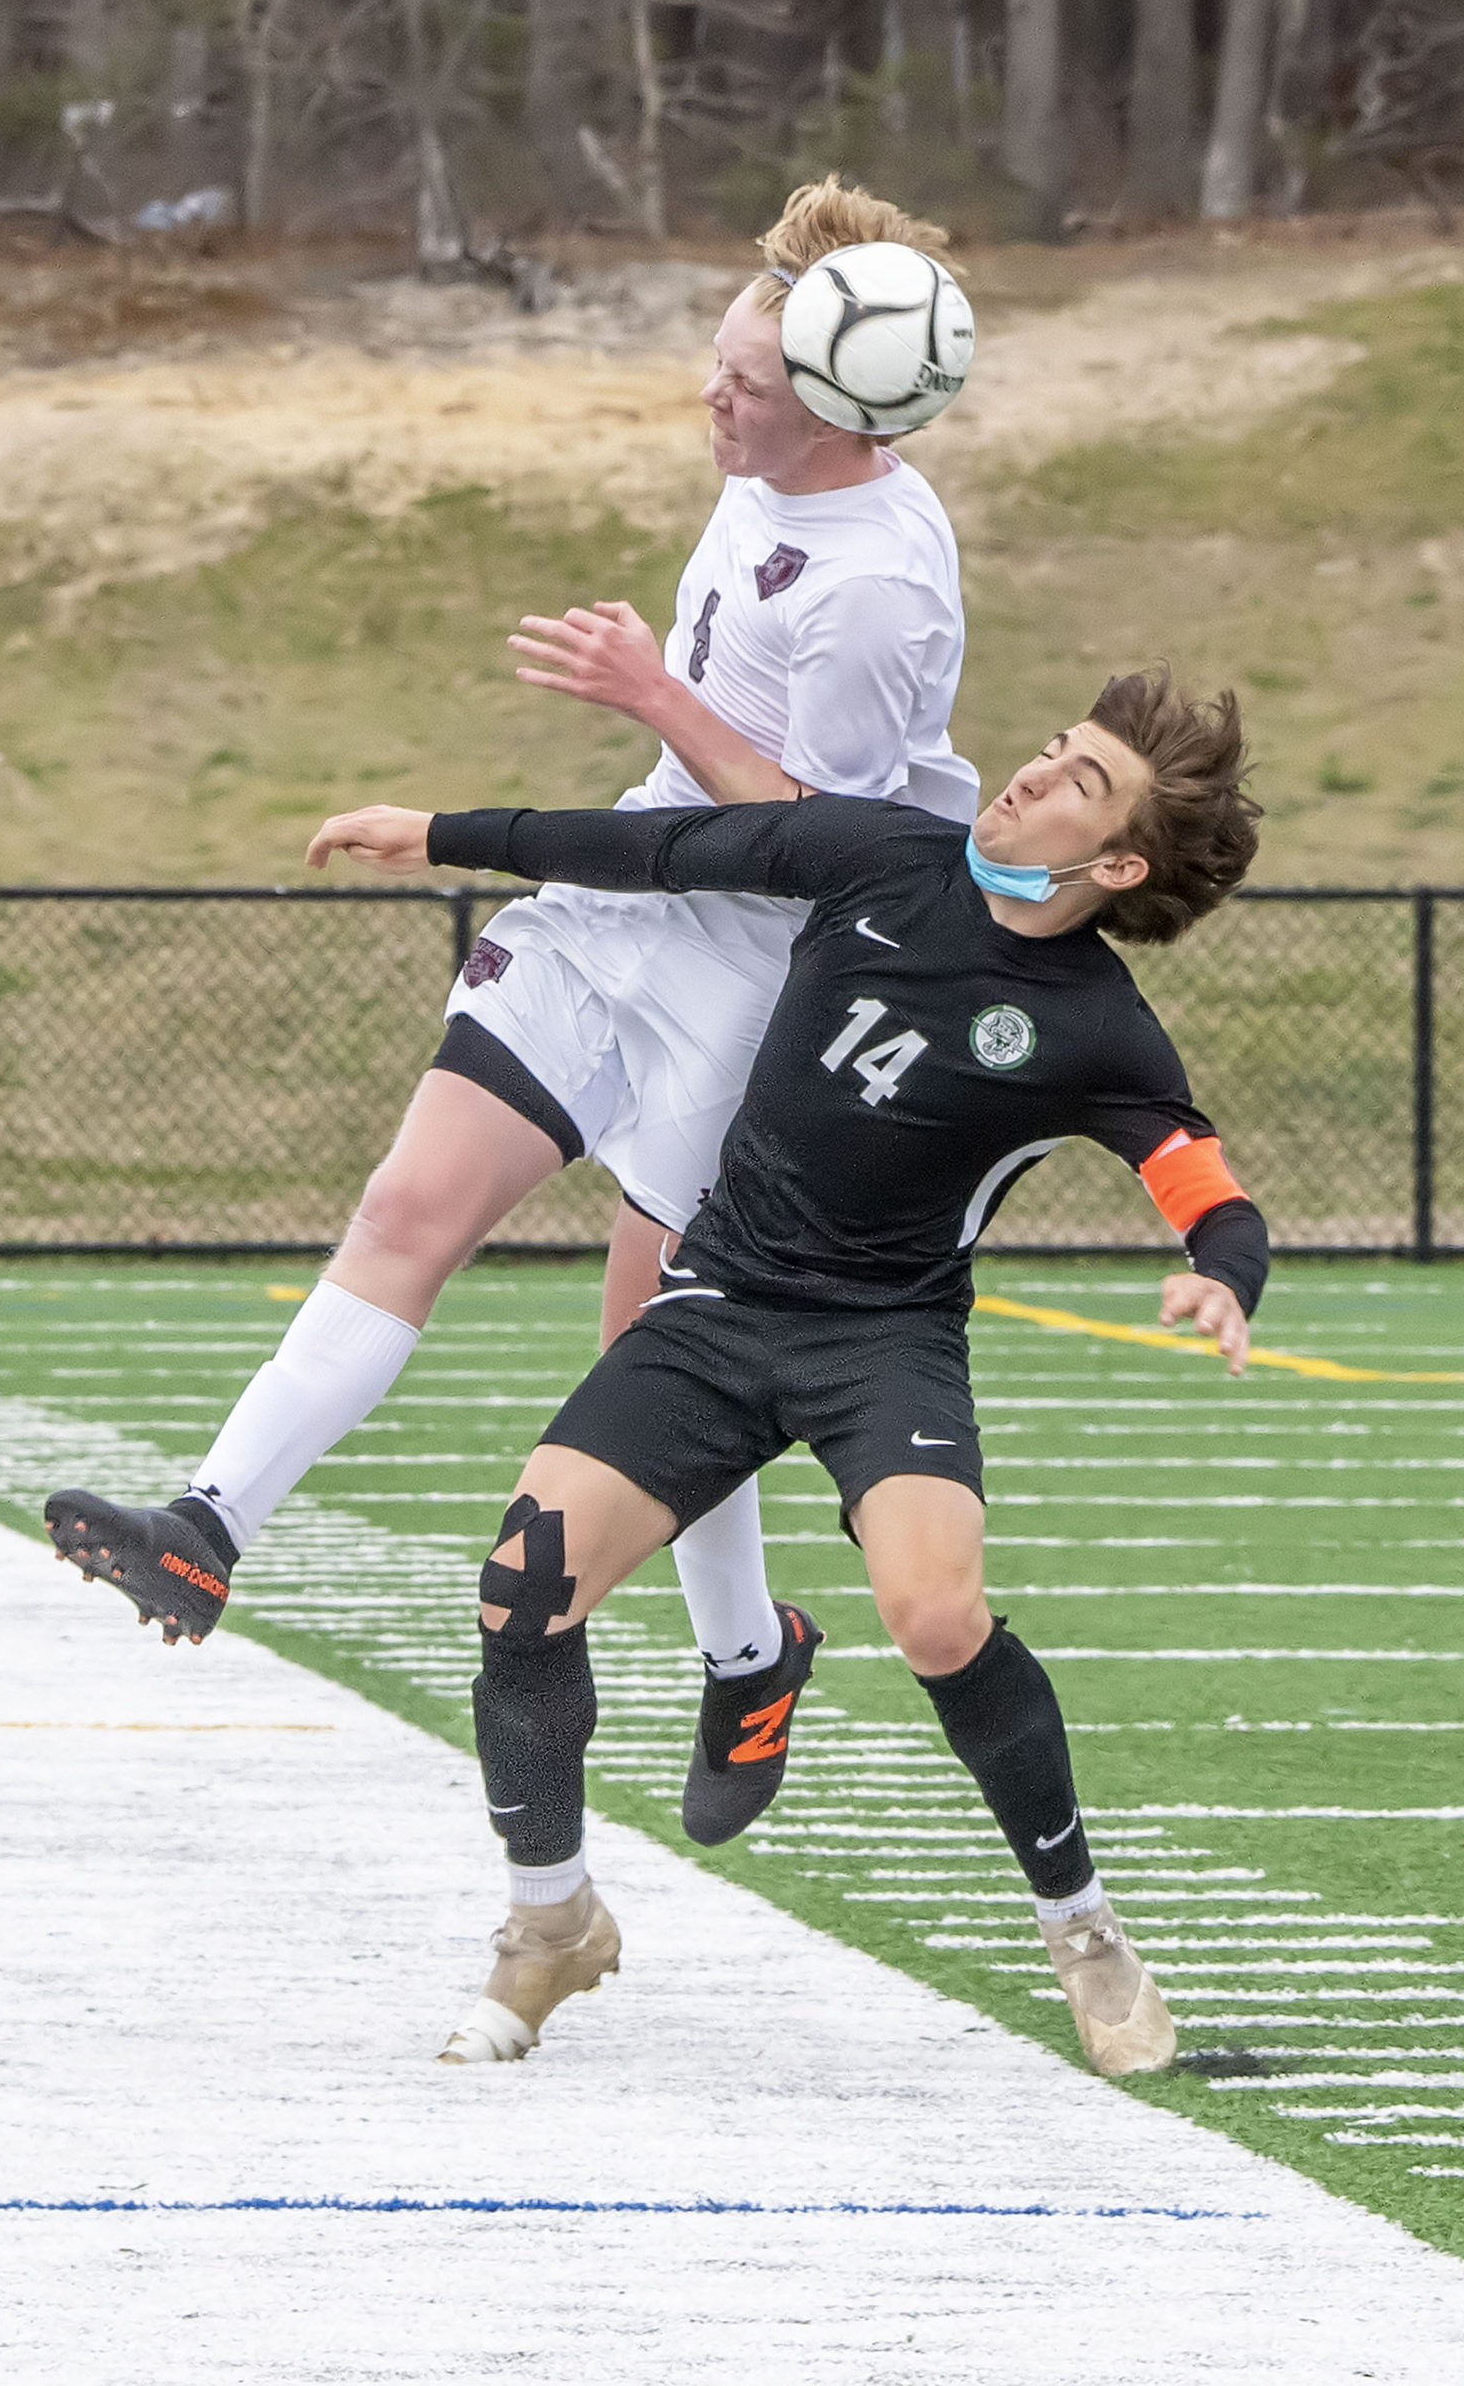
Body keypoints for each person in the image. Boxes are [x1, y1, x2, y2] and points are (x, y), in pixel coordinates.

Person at [45, 178, 978, 1839]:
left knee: (656, 1349)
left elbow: (804, 840)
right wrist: (649, 718)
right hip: (621, 908)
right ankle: (207, 1526)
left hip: (761, 976)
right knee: (411, 1201)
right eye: (716, 361)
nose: (713, 398)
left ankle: (750, 1659)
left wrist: (651, 691)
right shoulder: (767, 470)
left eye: (746, 385)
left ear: (839, 407)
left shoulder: (884, 583)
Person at [306, 667, 1269, 2078]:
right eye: (1051, 744)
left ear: (1117, 863)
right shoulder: (878, 855)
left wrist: (1221, 1274)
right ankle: (548, 1924)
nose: (1034, 772)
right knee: (524, 1588)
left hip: (884, 1341)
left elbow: (1210, 1191)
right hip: (717, 1304)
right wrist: (442, 831)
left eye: (1079, 781)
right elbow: (656, 850)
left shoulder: (1097, 1026)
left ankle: (1085, 1934)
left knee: (937, 1619)